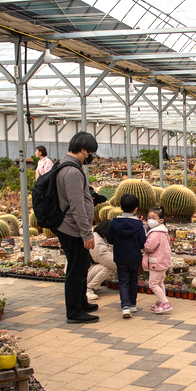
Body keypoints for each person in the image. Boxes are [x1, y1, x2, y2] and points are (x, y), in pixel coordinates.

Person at [55, 132, 98, 324]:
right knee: (76, 270)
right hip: (72, 229)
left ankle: (81, 302)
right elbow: (76, 205)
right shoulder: (72, 172)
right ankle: (74, 311)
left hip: (72, 227)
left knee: (81, 267)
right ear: (82, 150)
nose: (91, 157)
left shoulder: (65, 165)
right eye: (90, 153)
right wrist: (86, 232)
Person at [105, 193, 147, 319]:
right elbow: (142, 242)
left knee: (123, 281)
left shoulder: (114, 223)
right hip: (134, 257)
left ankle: (125, 306)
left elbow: (110, 239)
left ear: (121, 207)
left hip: (120, 256)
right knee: (133, 280)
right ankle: (133, 304)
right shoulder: (138, 224)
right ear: (136, 209)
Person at [143, 206, 172, 313]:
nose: (150, 220)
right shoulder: (164, 231)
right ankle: (161, 301)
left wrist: (143, 245)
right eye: (149, 217)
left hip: (156, 261)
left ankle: (165, 303)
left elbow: (149, 247)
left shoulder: (155, 232)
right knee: (160, 283)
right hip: (164, 261)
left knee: (153, 284)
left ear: (161, 220)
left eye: (154, 218)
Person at [86, 219, 115, 302]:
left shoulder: (95, 236)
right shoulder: (98, 244)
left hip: (79, 272)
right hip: (80, 274)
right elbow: (111, 262)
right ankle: (88, 288)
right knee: (107, 267)